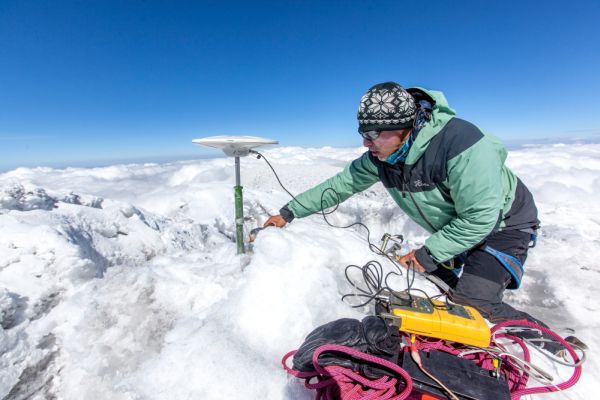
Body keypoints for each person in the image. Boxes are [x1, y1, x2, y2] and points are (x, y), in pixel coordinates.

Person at [264, 81, 544, 326]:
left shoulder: (462, 145)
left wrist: (427, 254)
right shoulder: (383, 157)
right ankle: (456, 324)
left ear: (406, 128)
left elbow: (479, 218)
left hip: (504, 223)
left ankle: (549, 345)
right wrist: (289, 213)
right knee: (426, 285)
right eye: (362, 132)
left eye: (373, 134)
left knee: (475, 302)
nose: (365, 143)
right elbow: (339, 185)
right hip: (459, 225)